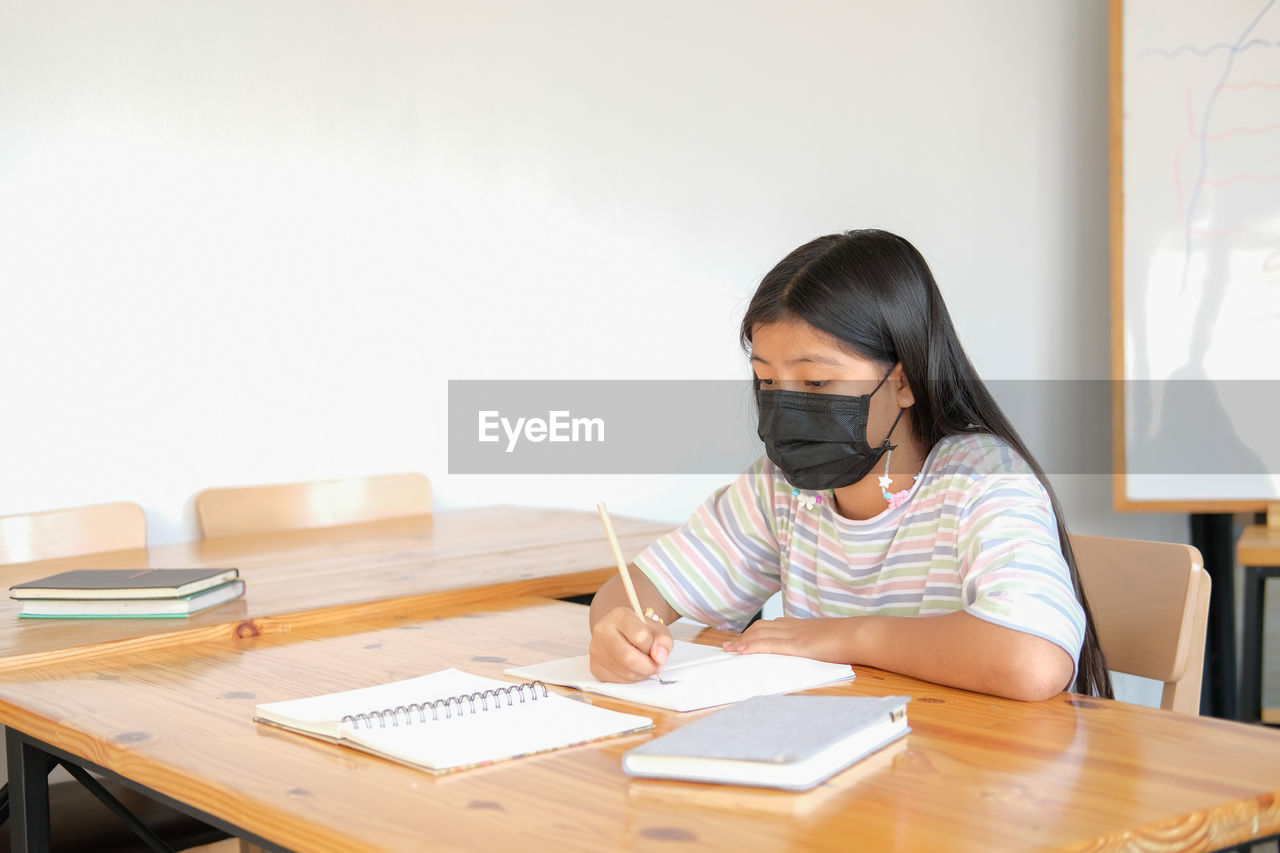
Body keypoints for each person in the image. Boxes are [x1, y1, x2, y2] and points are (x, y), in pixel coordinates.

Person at [588, 229, 1112, 702]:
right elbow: (637, 593)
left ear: (903, 382)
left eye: (817, 383)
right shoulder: (780, 491)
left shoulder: (981, 479)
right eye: (768, 382)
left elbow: (1032, 662)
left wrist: (846, 635)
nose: (787, 405)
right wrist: (624, 629)